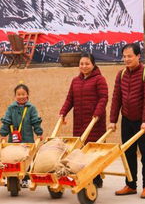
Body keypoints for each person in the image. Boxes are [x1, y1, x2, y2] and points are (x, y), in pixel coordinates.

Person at [109, 43, 145, 199]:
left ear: (138, 56)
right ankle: (130, 185)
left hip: (143, 123)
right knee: (128, 153)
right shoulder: (121, 74)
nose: (126, 59)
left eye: (130, 56)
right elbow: (116, 98)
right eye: (124, 56)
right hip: (127, 120)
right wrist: (113, 120)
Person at [59, 53, 108, 187]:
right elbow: (70, 99)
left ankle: (96, 178)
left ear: (93, 65)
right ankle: (81, 175)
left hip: (94, 121)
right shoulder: (75, 81)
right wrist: (63, 113)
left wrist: (97, 113)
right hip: (79, 121)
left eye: (87, 64)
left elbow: (103, 98)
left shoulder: (99, 79)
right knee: (80, 150)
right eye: (81, 64)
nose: (84, 66)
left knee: (93, 150)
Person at [0, 83, 43, 188]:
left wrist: (39, 133)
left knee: (26, 160)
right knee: (12, 158)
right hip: (14, 139)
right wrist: (3, 134)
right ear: (15, 96)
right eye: (18, 94)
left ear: (27, 95)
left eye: (23, 94)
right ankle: (11, 178)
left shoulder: (31, 108)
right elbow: (6, 121)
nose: (21, 97)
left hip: (27, 138)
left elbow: (35, 121)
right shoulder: (11, 108)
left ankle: (25, 179)